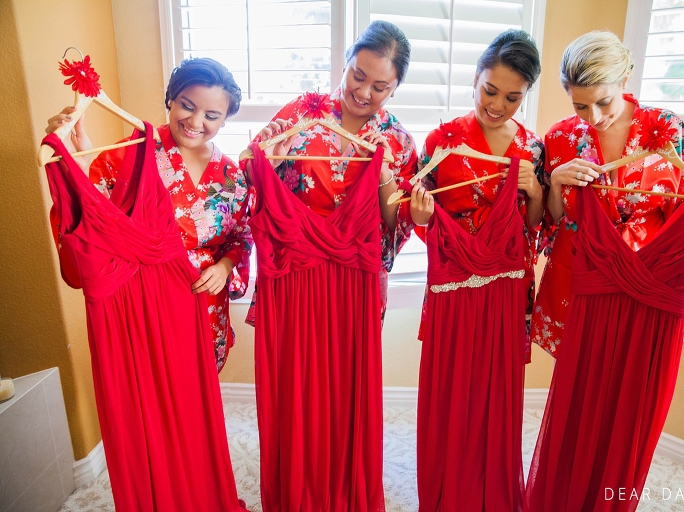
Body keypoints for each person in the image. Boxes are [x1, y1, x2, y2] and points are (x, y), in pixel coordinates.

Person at [524, 31, 684, 512]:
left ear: (625, 77)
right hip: (584, 286)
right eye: (579, 106)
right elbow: (551, 221)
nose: (592, 118)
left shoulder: (664, 127)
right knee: (580, 402)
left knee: (627, 406)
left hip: (641, 290)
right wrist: (555, 181)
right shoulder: (559, 138)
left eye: (603, 102)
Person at [243, 20, 416, 512]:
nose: (363, 91)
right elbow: (251, 179)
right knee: (293, 387)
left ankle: (342, 485)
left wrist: (385, 186)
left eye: (379, 85)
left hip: (351, 280)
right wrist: (265, 159)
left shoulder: (397, 140)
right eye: (357, 75)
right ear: (344, 64)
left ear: (396, 85)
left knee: (344, 389)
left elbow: (397, 221)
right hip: (294, 272)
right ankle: (298, 485)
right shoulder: (301, 113)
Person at [408, 29, 544, 512]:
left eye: (513, 97)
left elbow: (535, 228)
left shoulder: (531, 147)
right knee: (451, 395)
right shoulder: (441, 142)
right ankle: (446, 492)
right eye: (490, 91)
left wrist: (536, 191)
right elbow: (421, 219)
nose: (498, 105)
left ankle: (493, 494)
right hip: (454, 286)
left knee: (496, 397)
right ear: (476, 79)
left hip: (506, 289)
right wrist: (421, 217)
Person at [46, 57, 253, 373]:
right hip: (148, 303)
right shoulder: (131, 155)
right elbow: (93, 218)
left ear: (224, 120)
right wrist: (80, 165)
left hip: (206, 303)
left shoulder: (231, 176)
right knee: (157, 401)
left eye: (211, 115)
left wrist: (225, 267)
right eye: (187, 105)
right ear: (171, 98)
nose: (196, 121)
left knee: (199, 401)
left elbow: (241, 235)